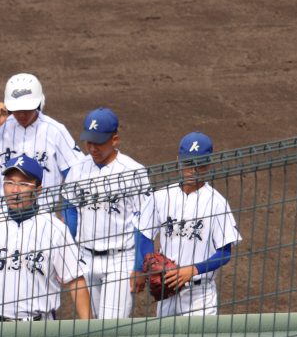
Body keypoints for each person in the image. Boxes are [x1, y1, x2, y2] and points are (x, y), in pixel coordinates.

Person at [0, 155, 91, 322]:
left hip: (39, 326)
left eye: (23, 184)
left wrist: (88, 326)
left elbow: (75, 280)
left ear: (38, 190)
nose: (15, 190)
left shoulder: (55, 229)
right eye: (10, 182)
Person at [135, 132, 241, 317]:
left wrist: (192, 270)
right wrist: (148, 262)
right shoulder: (161, 196)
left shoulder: (216, 202)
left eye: (199, 165)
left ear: (208, 164)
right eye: (188, 164)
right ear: (178, 161)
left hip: (200, 294)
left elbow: (225, 253)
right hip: (166, 289)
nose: (193, 170)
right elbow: (144, 234)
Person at [63, 108, 151, 319]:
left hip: (120, 259)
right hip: (85, 257)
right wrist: (70, 250)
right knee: (93, 325)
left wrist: (140, 266)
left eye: (98, 143)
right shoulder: (78, 169)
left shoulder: (133, 171)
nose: (92, 148)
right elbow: (70, 209)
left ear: (115, 140)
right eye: (89, 142)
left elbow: (145, 222)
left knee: (109, 329)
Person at [0, 73, 83, 199]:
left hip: (43, 214)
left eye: (26, 109)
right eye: (16, 109)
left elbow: (76, 174)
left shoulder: (55, 131)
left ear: (37, 104)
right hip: (4, 214)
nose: (21, 114)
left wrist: (68, 214)